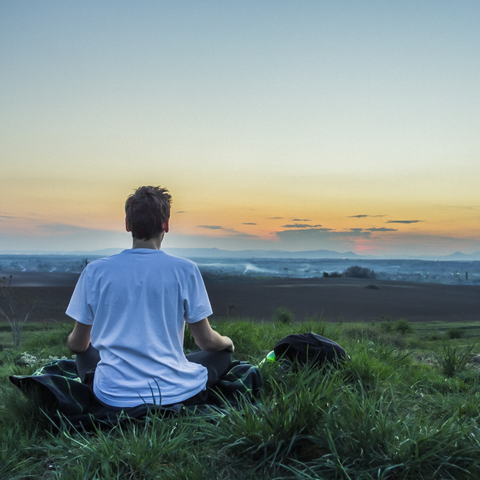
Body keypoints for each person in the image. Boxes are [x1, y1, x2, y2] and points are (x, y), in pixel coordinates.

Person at [66, 186, 234, 408]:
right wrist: (228, 343)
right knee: (221, 355)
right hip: (174, 392)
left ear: (128, 225)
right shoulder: (185, 270)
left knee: (85, 352)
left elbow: (77, 345)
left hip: (113, 395)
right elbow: (206, 342)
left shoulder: (95, 271)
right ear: (166, 225)